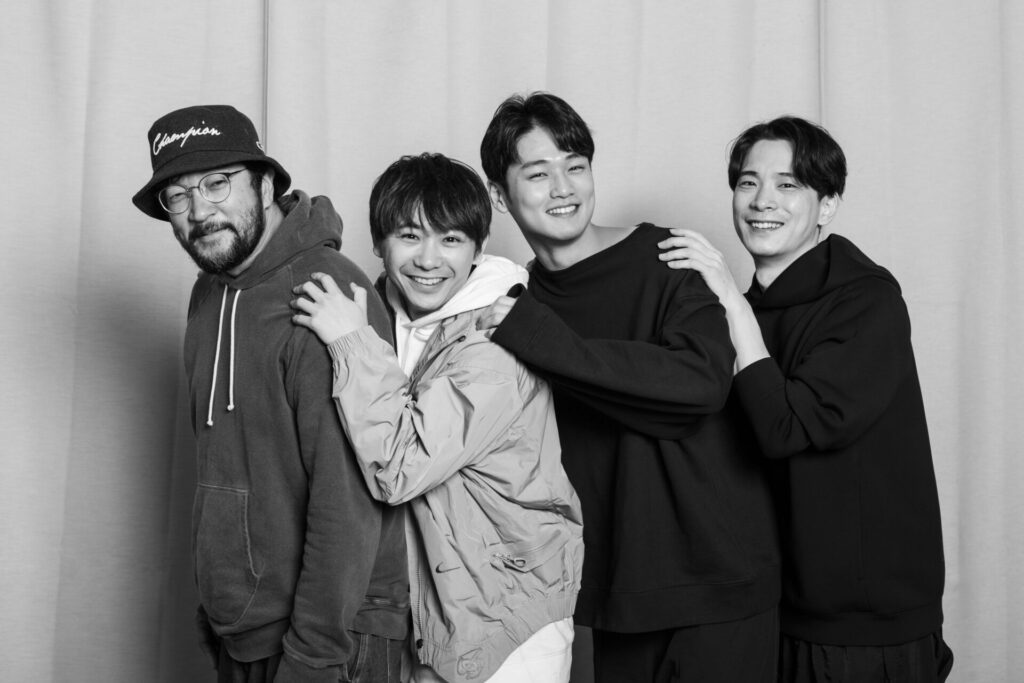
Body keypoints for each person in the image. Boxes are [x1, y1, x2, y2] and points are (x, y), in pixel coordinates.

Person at [476, 92, 781, 682]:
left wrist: (545, 342)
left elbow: (699, 386)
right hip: (617, 597)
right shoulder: (515, 303)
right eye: (538, 174)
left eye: (576, 167)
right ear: (499, 195)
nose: (563, 188)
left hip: (720, 581)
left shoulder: (667, 256)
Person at [657, 115, 953, 681]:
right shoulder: (742, 310)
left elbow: (786, 427)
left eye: (788, 184)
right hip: (771, 607)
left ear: (827, 205)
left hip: (864, 625)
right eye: (748, 183)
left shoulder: (866, 302)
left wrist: (730, 303)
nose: (762, 201)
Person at [131, 104, 408, 682]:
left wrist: (314, 657)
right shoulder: (210, 293)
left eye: (217, 183)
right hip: (244, 630)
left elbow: (348, 500)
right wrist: (221, 607)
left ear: (264, 184)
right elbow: (229, 459)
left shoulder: (326, 293)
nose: (199, 211)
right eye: (177, 197)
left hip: (332, 640)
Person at [289, 152, 583, 683]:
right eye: (409, 236)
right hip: (420, 611)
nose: (429, 259)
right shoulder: (380, 316)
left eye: (451, 239)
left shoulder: (499, 338)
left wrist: (350, 342)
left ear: (478, 248)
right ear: (378, 243)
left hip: (505, 617)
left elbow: (400, 467)